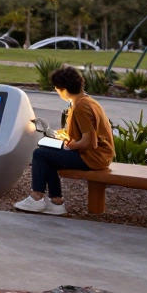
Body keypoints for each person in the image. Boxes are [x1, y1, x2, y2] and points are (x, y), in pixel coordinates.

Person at [15, 65, 114, 216]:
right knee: (48, 155)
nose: (56, 91)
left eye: (56, 88)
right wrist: (53, 133)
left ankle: (36, 197)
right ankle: (56, 202)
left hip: (93, 157)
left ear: (64, 89)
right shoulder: (87, 102)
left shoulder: (81, 107)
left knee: (41, 154)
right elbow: (81, 134)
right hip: (99, 156)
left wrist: (72, 146)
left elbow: (90, 142)